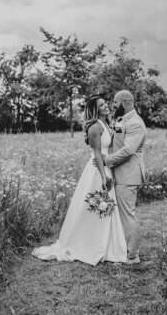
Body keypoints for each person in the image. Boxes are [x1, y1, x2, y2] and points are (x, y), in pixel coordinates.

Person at [32, 95, 128, 265]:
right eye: (101, 105)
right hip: (98, 170)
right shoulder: (94, 127)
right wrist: (103, 175)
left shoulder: (107, 124)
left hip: (107, 167)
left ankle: (106, 245)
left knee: (106, 207)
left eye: (106, 103)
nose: (106, 106)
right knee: (98, 206)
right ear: (95, 110)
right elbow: (97, 153)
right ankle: (88, 244)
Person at [102, 90, 147, 264]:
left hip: (129, 175)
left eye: (115, 102)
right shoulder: (122, 120)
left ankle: (132, 255)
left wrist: (107, 161)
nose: (113, 105)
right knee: (122, 214)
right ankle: (124, 249)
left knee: (128, 215)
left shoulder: (135, 123)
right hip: (120, 173)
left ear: (125, 102)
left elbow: (128, 150)